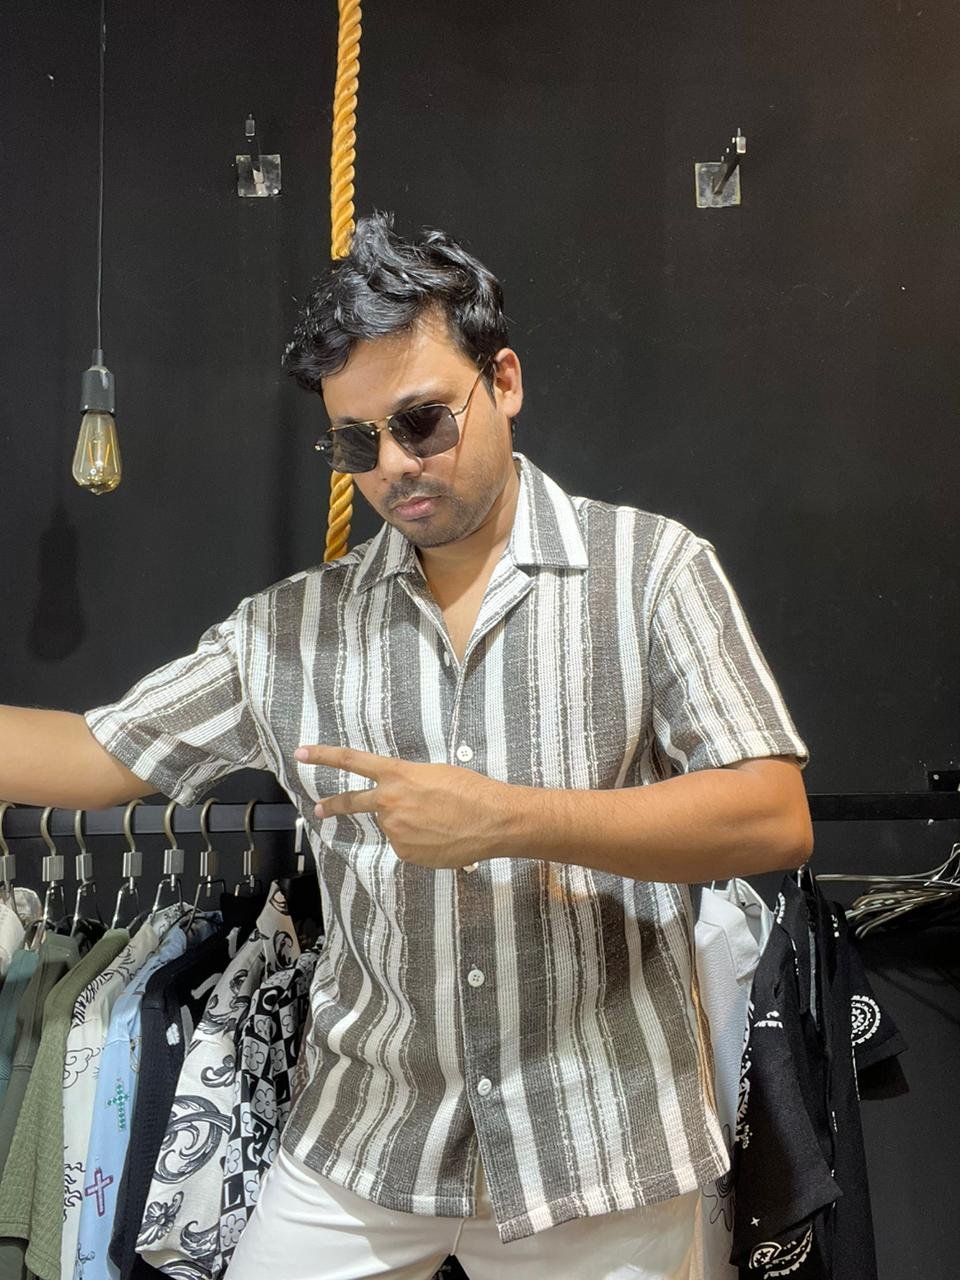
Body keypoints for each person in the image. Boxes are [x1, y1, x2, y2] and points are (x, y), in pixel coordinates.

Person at [0, 211, 812, 1280]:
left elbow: (771, 814)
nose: (391, 466)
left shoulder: (651, 572)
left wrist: (507, 817)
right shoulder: (290, 629)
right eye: (355, 443)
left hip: (598, 1145)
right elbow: (95, 753)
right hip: (367, 1135)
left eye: (422, 422)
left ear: (503, 382)